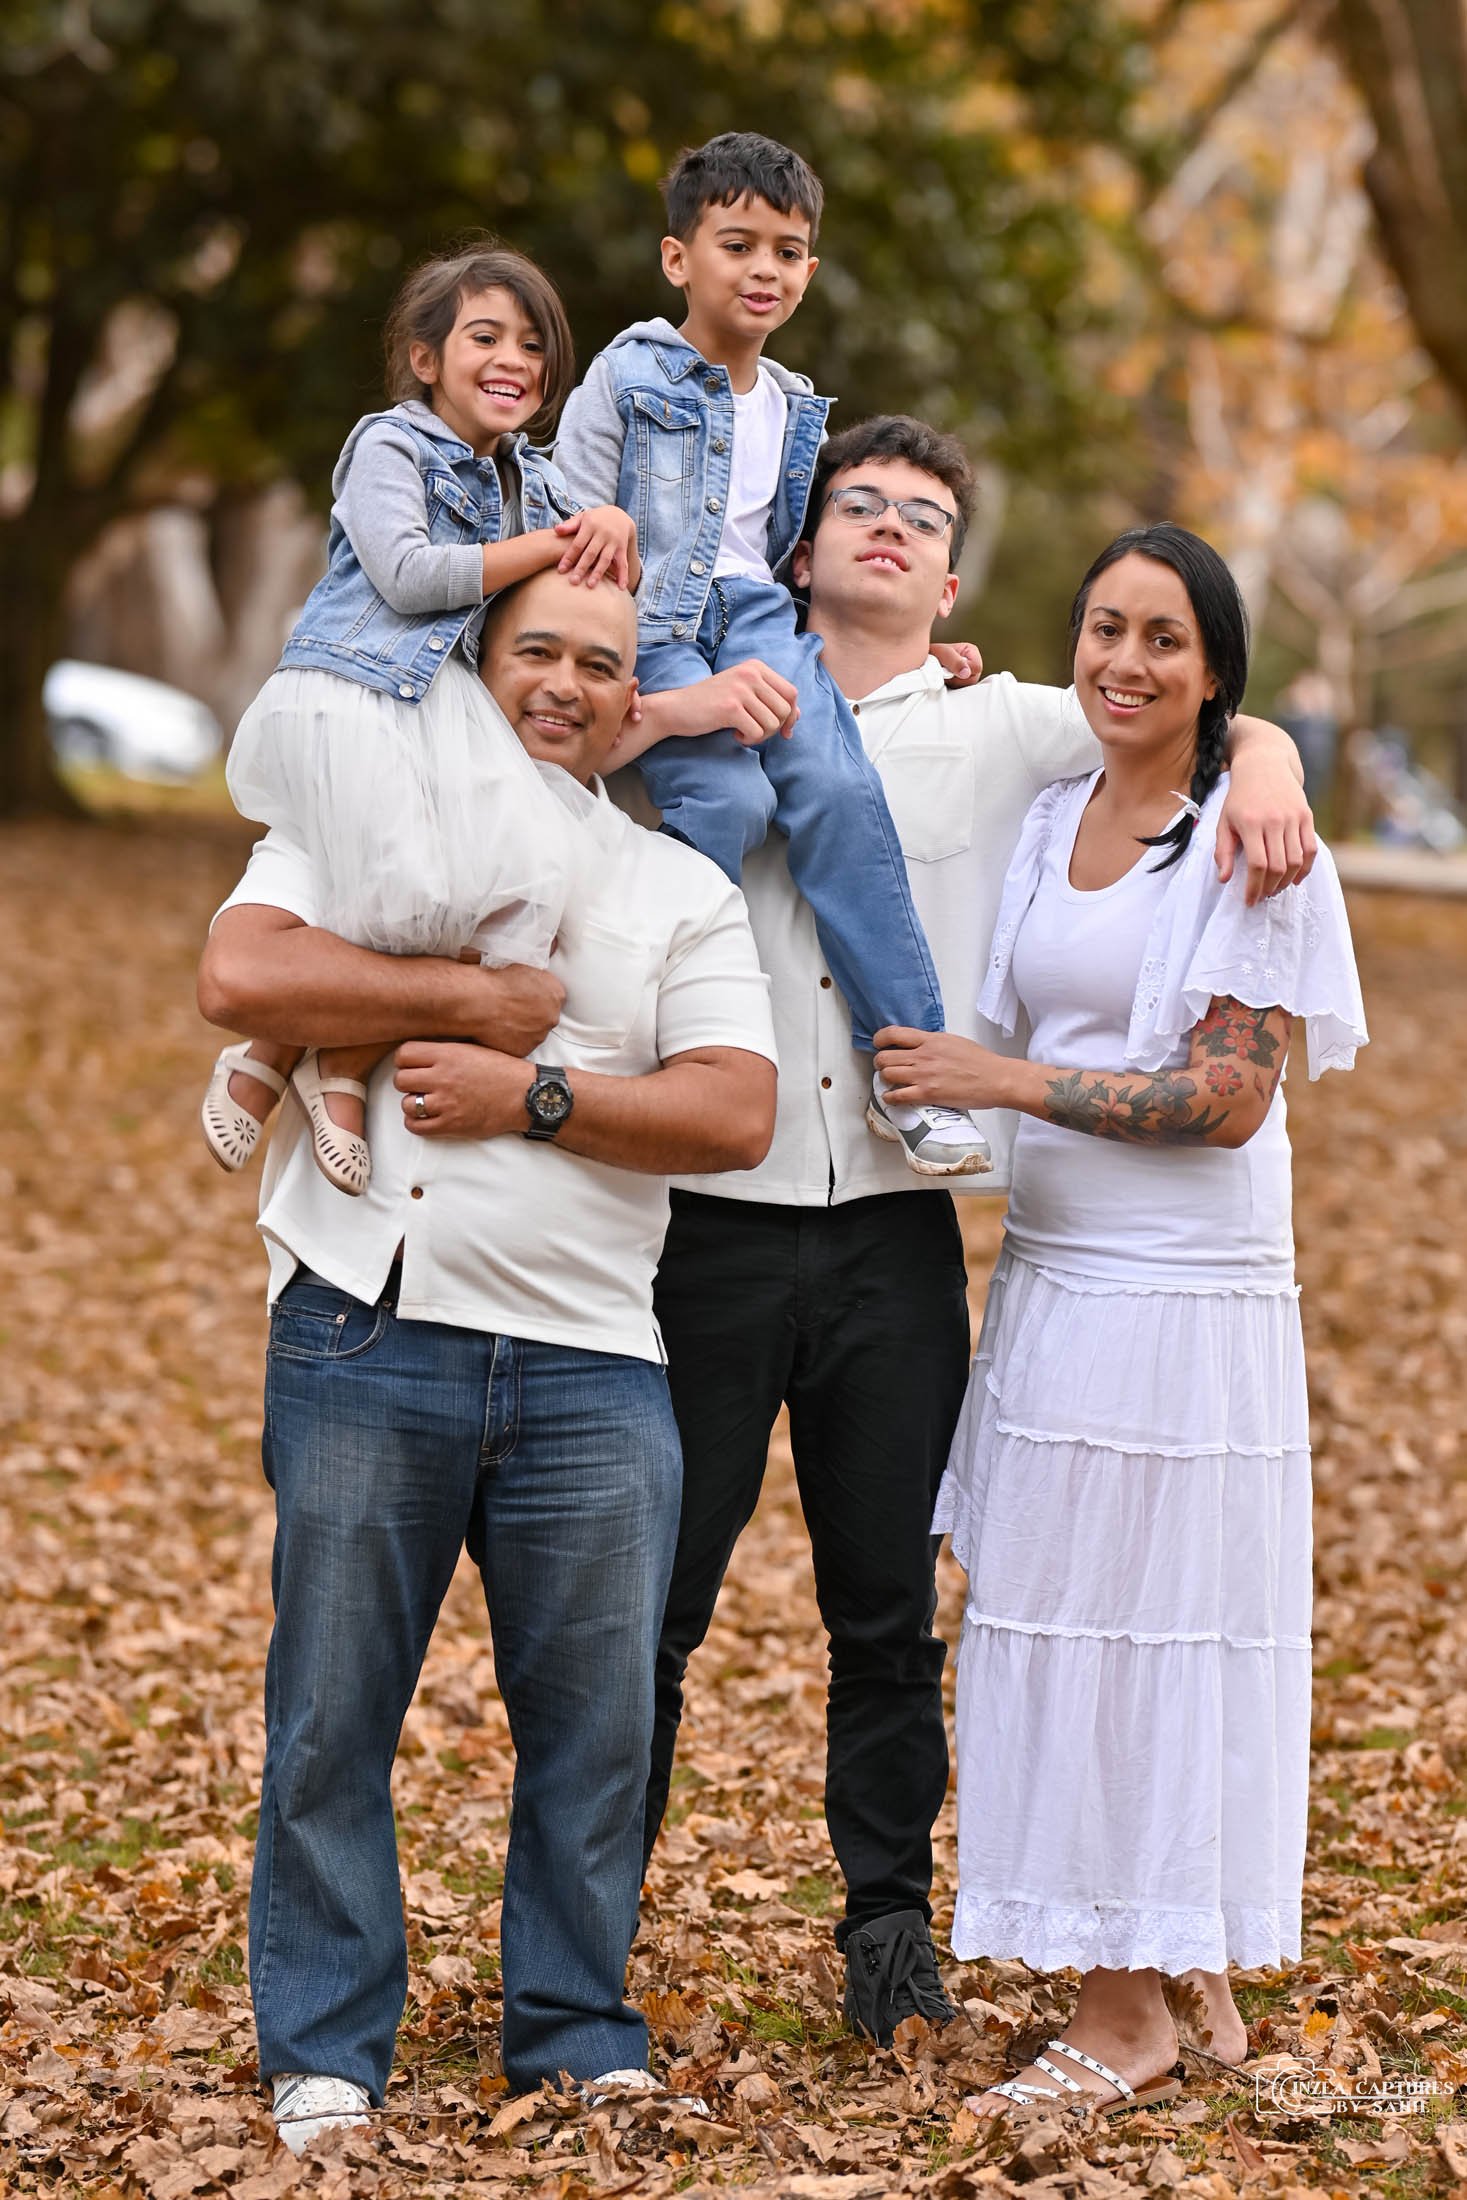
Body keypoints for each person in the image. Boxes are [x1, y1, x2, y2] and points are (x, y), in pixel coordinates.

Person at [614, 416, 1319, 2045]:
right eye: (851, 503)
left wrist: (1274, 752)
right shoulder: (708, 715)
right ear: (799, 549)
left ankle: (885, 1933)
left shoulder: (1008, 732)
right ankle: (583, 1945)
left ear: (949, 576)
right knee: (647, 1602)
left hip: (890, 1237)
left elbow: (1184, 707)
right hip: (705, 1222)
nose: (881, 527)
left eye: (918, 517)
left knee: (886, 1610)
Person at [196, 567, 778, 2153]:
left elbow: (734, 1108)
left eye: (601, 664)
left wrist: (533, 1094)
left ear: (625, 695)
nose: (566, 685)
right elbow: (240, 978)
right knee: (331, 1709)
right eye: (536, 651)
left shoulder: (672, 887)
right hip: (364, 1325)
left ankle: (574, 2028)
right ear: (478, 660)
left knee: (595, 1727)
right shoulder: (358, 811)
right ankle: (325, 2043)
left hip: (592, 1360)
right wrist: (468, 996)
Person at [874, 523, 1367, 2112]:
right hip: (1051, 1280)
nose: (1123, 662)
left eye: (1163, 637)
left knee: (1137, 1630)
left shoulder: (1252, 837)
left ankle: (1124, 2015)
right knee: (1060, 1614)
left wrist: (998, 1084)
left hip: (1181, 1295)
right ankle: (1183, 1969)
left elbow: (1221, 1098)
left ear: (1213, 670)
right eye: (1101, 627)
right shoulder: (1046, 817)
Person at [556, 133, 991, 1176]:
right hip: (649, 622)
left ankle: (907, 1072)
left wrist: (930, 652)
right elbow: (569, 502)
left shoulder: (797, 405)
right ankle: (670, 1022)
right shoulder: (629, 370)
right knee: (731, 806)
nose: (764, 271)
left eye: (789, 252)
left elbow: (797, 561)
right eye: (738, 244)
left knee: (839, 788)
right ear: (679, 259)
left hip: (754, 617)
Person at [200, 240, 638, 1196]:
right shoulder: (389, 444)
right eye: (485, 337)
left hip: (449, 712)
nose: (512, 361)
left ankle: (314, 1059)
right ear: (427, 358)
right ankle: (299, 1060)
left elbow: (592, 563)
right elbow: (405, 576)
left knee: (514, 889)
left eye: (533, 346)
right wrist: (548, 543)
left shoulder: (538, 480)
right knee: (407, 893)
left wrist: (613, 528)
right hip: (361, 691)